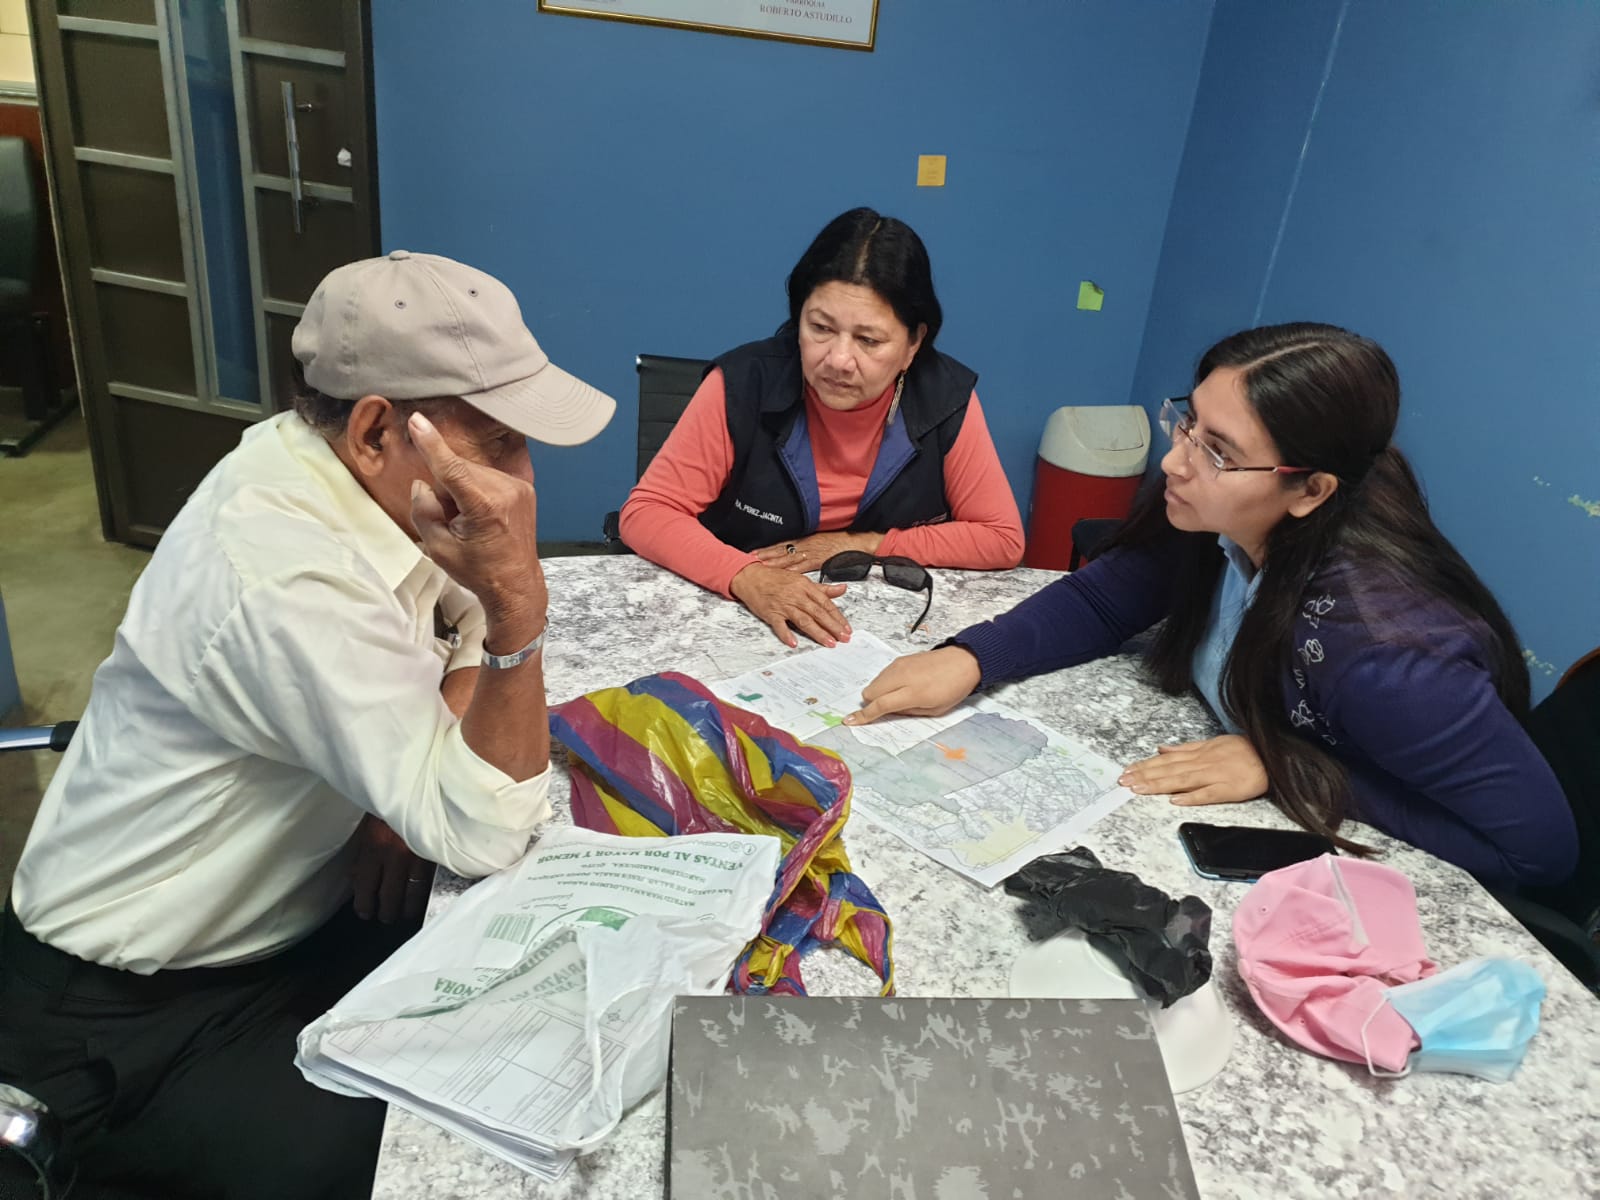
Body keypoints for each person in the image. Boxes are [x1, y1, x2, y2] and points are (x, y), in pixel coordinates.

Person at [0, 251, 614, 1198]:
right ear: (374, 431)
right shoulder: (284, 570)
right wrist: (517, 611)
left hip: (301, 909)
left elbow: (460, 612)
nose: (520, 482)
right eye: (496, 442)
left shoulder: (340, 472)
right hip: (133, 1008)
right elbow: (485, 825)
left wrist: (400, 784)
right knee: (456, 1153)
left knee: (558, 1010)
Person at [843, 323, 1577, 890]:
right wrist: (973, 657)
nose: (1175, 458)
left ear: (1311, 490)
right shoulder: (1215, 511)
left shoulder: (1390, 657)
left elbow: (1538, 852)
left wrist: (1294, 769)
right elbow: (1108, 597)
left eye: (1218, 450)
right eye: (1188, 421)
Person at [620, 207, 1024, 648]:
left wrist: (860, 544)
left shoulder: (945, 399)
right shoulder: (742, 383)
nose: (838, 360)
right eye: (820, 328)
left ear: (913, 343)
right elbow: (648, 512)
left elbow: (1000, 538)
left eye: (868, 340)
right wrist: (746, 576)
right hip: (734, 615)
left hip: (880, 629)